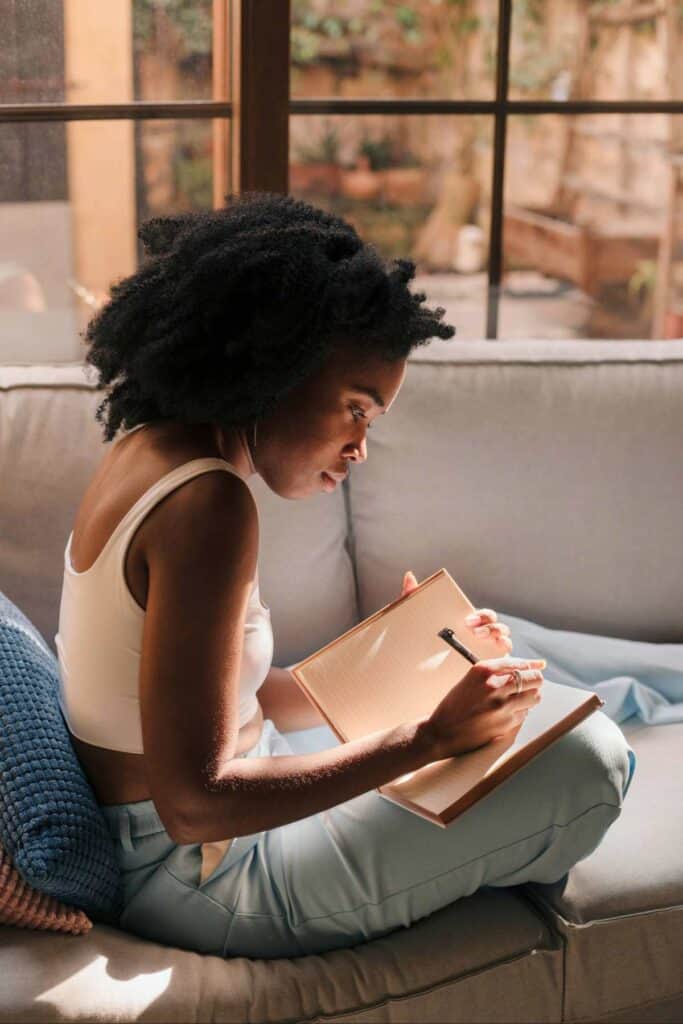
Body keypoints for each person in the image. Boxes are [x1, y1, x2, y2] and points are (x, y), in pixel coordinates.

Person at [56, 191, 636, 959]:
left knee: (521, 681)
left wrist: (392, 654)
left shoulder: (152, 454)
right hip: (203, 880)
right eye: (356, 408)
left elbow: (232, 699)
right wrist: (426, 738)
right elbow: (195, 804)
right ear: (277, 364)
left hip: (188, 848)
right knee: (591, 762)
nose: (361, 446)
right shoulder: (207, 505)